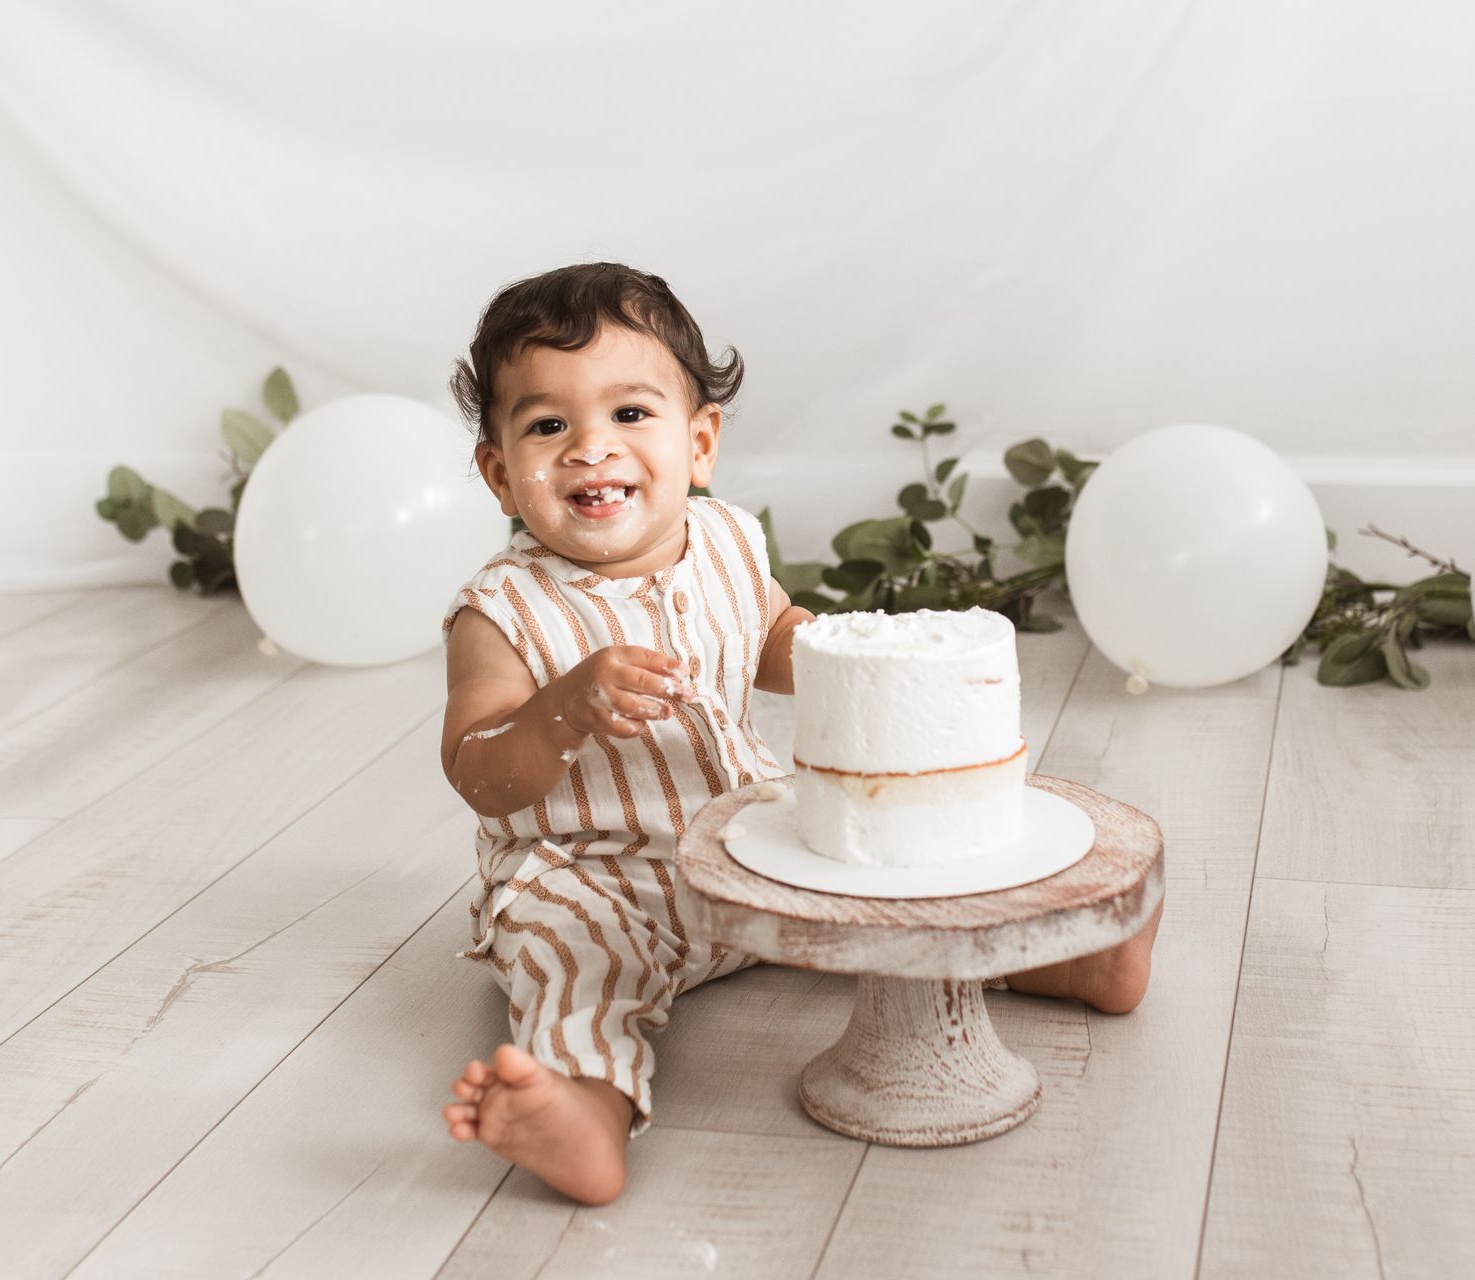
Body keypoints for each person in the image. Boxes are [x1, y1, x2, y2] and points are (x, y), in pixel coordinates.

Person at [436, 263, 1161, 1204]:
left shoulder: (729, 543)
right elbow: (478, 768)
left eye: (628, 415)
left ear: (698, 444)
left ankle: (1066, 957)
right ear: (499, 473)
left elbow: (774, 639)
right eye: (546, 425)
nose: (588, 449)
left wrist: (852, 656)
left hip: (743, 848)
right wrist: (562, 707)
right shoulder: (501, 613)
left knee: (883, 893)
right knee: (582, 967)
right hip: (596, 874)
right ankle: (583, 1106)